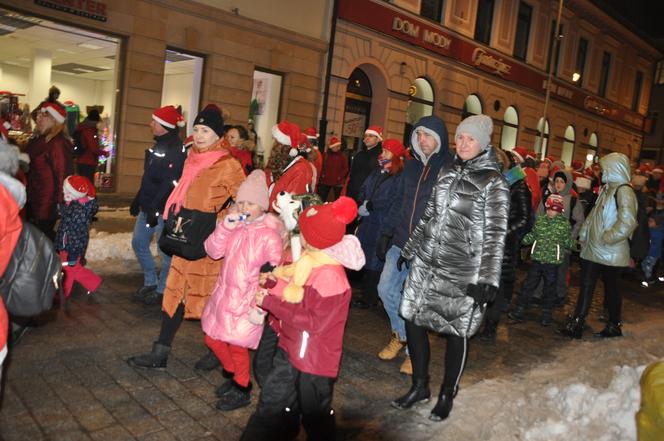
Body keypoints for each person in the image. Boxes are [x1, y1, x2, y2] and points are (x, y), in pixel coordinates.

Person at [391, 114, 509, 422]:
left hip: (463, 270)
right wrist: (410, 248)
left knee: (457, 331)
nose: (464, 144)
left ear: (483, 143)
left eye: (471, 139)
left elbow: (496, 235)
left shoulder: (493, 182)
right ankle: (420, 386)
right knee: (412, 319)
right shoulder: (446, 171)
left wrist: (488, 279)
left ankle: (446, 393)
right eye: (460, 138)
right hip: (429, 263)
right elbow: (429, 215)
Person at [127, 105, 245, 369]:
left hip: (209, 246)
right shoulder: (191, 158)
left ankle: (219, 352)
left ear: (218, 135)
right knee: (174, 295)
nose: (200, 135)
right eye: (196, 129)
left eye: (206, 130)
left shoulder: (228, 165)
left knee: (209, 299)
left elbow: (246, 204)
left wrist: (222, 222)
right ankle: (160, 352)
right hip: (183, 237)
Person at [241, 197, 365, 441]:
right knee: (272, 407)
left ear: (316, 239)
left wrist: (270, 302)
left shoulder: (330, 277)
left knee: (316, 420)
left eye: (305, 232)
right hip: (290, 349)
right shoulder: (311, 263)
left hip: (314, 364)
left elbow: (313, 321)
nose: (301, 236)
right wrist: (275, 284)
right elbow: (298, 296)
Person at [373, 115, 453, 375]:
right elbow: (399, 202)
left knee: (415, 302)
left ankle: (413, 352)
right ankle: (401, 334)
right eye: (418, 135)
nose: (422, 140)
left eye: (427, 135)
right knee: (385, 289)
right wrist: (386, 233)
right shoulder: (410, 167)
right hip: (400, 241)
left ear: (439, 138)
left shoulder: (448, 168)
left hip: (427, 247)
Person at [201, 170, 285, 411]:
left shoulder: (269, 236)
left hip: (248, 300)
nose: (244, 207)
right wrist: (224, 228)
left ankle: (242, 388)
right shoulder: (235, 226)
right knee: (212, 338)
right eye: (240, 203)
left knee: (237, 346)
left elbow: (272, 275)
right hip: (224, 295)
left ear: (262, 206)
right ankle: (231, 372)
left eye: (251, 203)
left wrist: (260, 307)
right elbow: (213, 251)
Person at [560, 152, 637, 339]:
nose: (602, 172)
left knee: (612, 288)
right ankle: (578, 321)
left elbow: (628, 221)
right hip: (594, 248)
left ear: (614, 169)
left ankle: (613, 324)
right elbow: (594, 215)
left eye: (605, 169)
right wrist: (585, 234)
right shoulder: (607, 189)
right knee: (587, 285)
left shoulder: (624, 191)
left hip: (610, 250)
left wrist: (607, 238)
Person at [130, 106, 187, 305]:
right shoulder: (158, 145)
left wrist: (156, 208)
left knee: (165, 252)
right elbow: (150, 178)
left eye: (154, 121)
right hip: (148, 206)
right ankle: (151, 282)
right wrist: (138, 199)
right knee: (138, 243)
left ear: (165, 126)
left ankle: (163, 290)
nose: (150, 124)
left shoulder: (176, 149)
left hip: (164, 210)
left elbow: (170, 183)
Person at [480, 148, 532, 341]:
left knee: (497, 286)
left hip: (503, 246)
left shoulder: (518, 185)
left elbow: (525, 219)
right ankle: (476, 322)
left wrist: (502, 233)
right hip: (483, 243)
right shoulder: (489, 181)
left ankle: (490, 327)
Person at [353, 139, 407, 309]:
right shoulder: (377, 171)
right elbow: (364, 188)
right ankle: (365, 293)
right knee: (365, 256)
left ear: (395, 156)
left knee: (376, 261)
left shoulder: (398, 176)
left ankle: (370, 297)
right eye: (382, 150)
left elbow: (394, 199)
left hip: (381, 222)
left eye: (386, 151)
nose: (382, 154)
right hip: (368, 221)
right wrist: (362, 202)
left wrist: (374, 204)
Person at [508, 194, 575, 326]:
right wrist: (523, 240)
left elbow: (567, 240)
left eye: (554, 209)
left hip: (552, 263)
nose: (551, 212)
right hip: (537, 260)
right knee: (528, 285)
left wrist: (573, 245)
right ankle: (520, 310)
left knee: (549, 289)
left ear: (560, 210)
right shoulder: (541, 220)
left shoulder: (564, 224)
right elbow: (534, 234)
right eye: (549, 208)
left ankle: (546, 314)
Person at [26, 102, 74, 240]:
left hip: (47, 203)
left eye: (44, 116)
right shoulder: (40, 140)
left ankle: (59, 258)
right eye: (38, 116)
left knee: (41, 238)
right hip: (33, 199)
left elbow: (63, 174)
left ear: (55, 120)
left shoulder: (58, 143)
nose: (38, 119)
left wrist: (61, 202)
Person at [55, 175, 102, 300]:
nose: (64, 193)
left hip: (72, 247)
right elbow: (66, 227)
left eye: (67, 191)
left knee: (70, 270)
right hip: (66, 245)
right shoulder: (72, 205)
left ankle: (63, 293)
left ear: (75, 194)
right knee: (72, 268)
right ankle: (94, 282)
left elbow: (78, 234)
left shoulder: (79, 211)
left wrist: (74, 252)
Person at [267, 120, 315, 209]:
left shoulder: (300, 169)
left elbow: (291, 204)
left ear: (281, 146)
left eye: (275, 142)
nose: (272, 146)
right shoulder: (282, 164)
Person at [345, 126, 383, 203]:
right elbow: (352, 176)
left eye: (371, 136)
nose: (367, 138)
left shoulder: (381, 156)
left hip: (368, 197)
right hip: (353, 194)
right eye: (366, 136)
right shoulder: (360, 154)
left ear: (378, 139)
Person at [74, 109, 107, 184]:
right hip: (88, 162)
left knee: (83, 183)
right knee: (88, 184)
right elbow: (94, 148)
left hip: (81, 160)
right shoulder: (89, 131)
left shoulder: (83, 128)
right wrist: (104, 153)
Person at [317, 136, 348, 202]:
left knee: (337, 199)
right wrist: (323, 174)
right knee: (323, 198)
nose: (337, 148)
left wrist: (339, 177)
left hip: (338, 182)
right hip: (326, 180)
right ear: (331, 147)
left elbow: (345, 168)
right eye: (335, 146)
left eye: (338, 146)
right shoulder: (326, 155)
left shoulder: (342, 156)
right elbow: (322, 166)